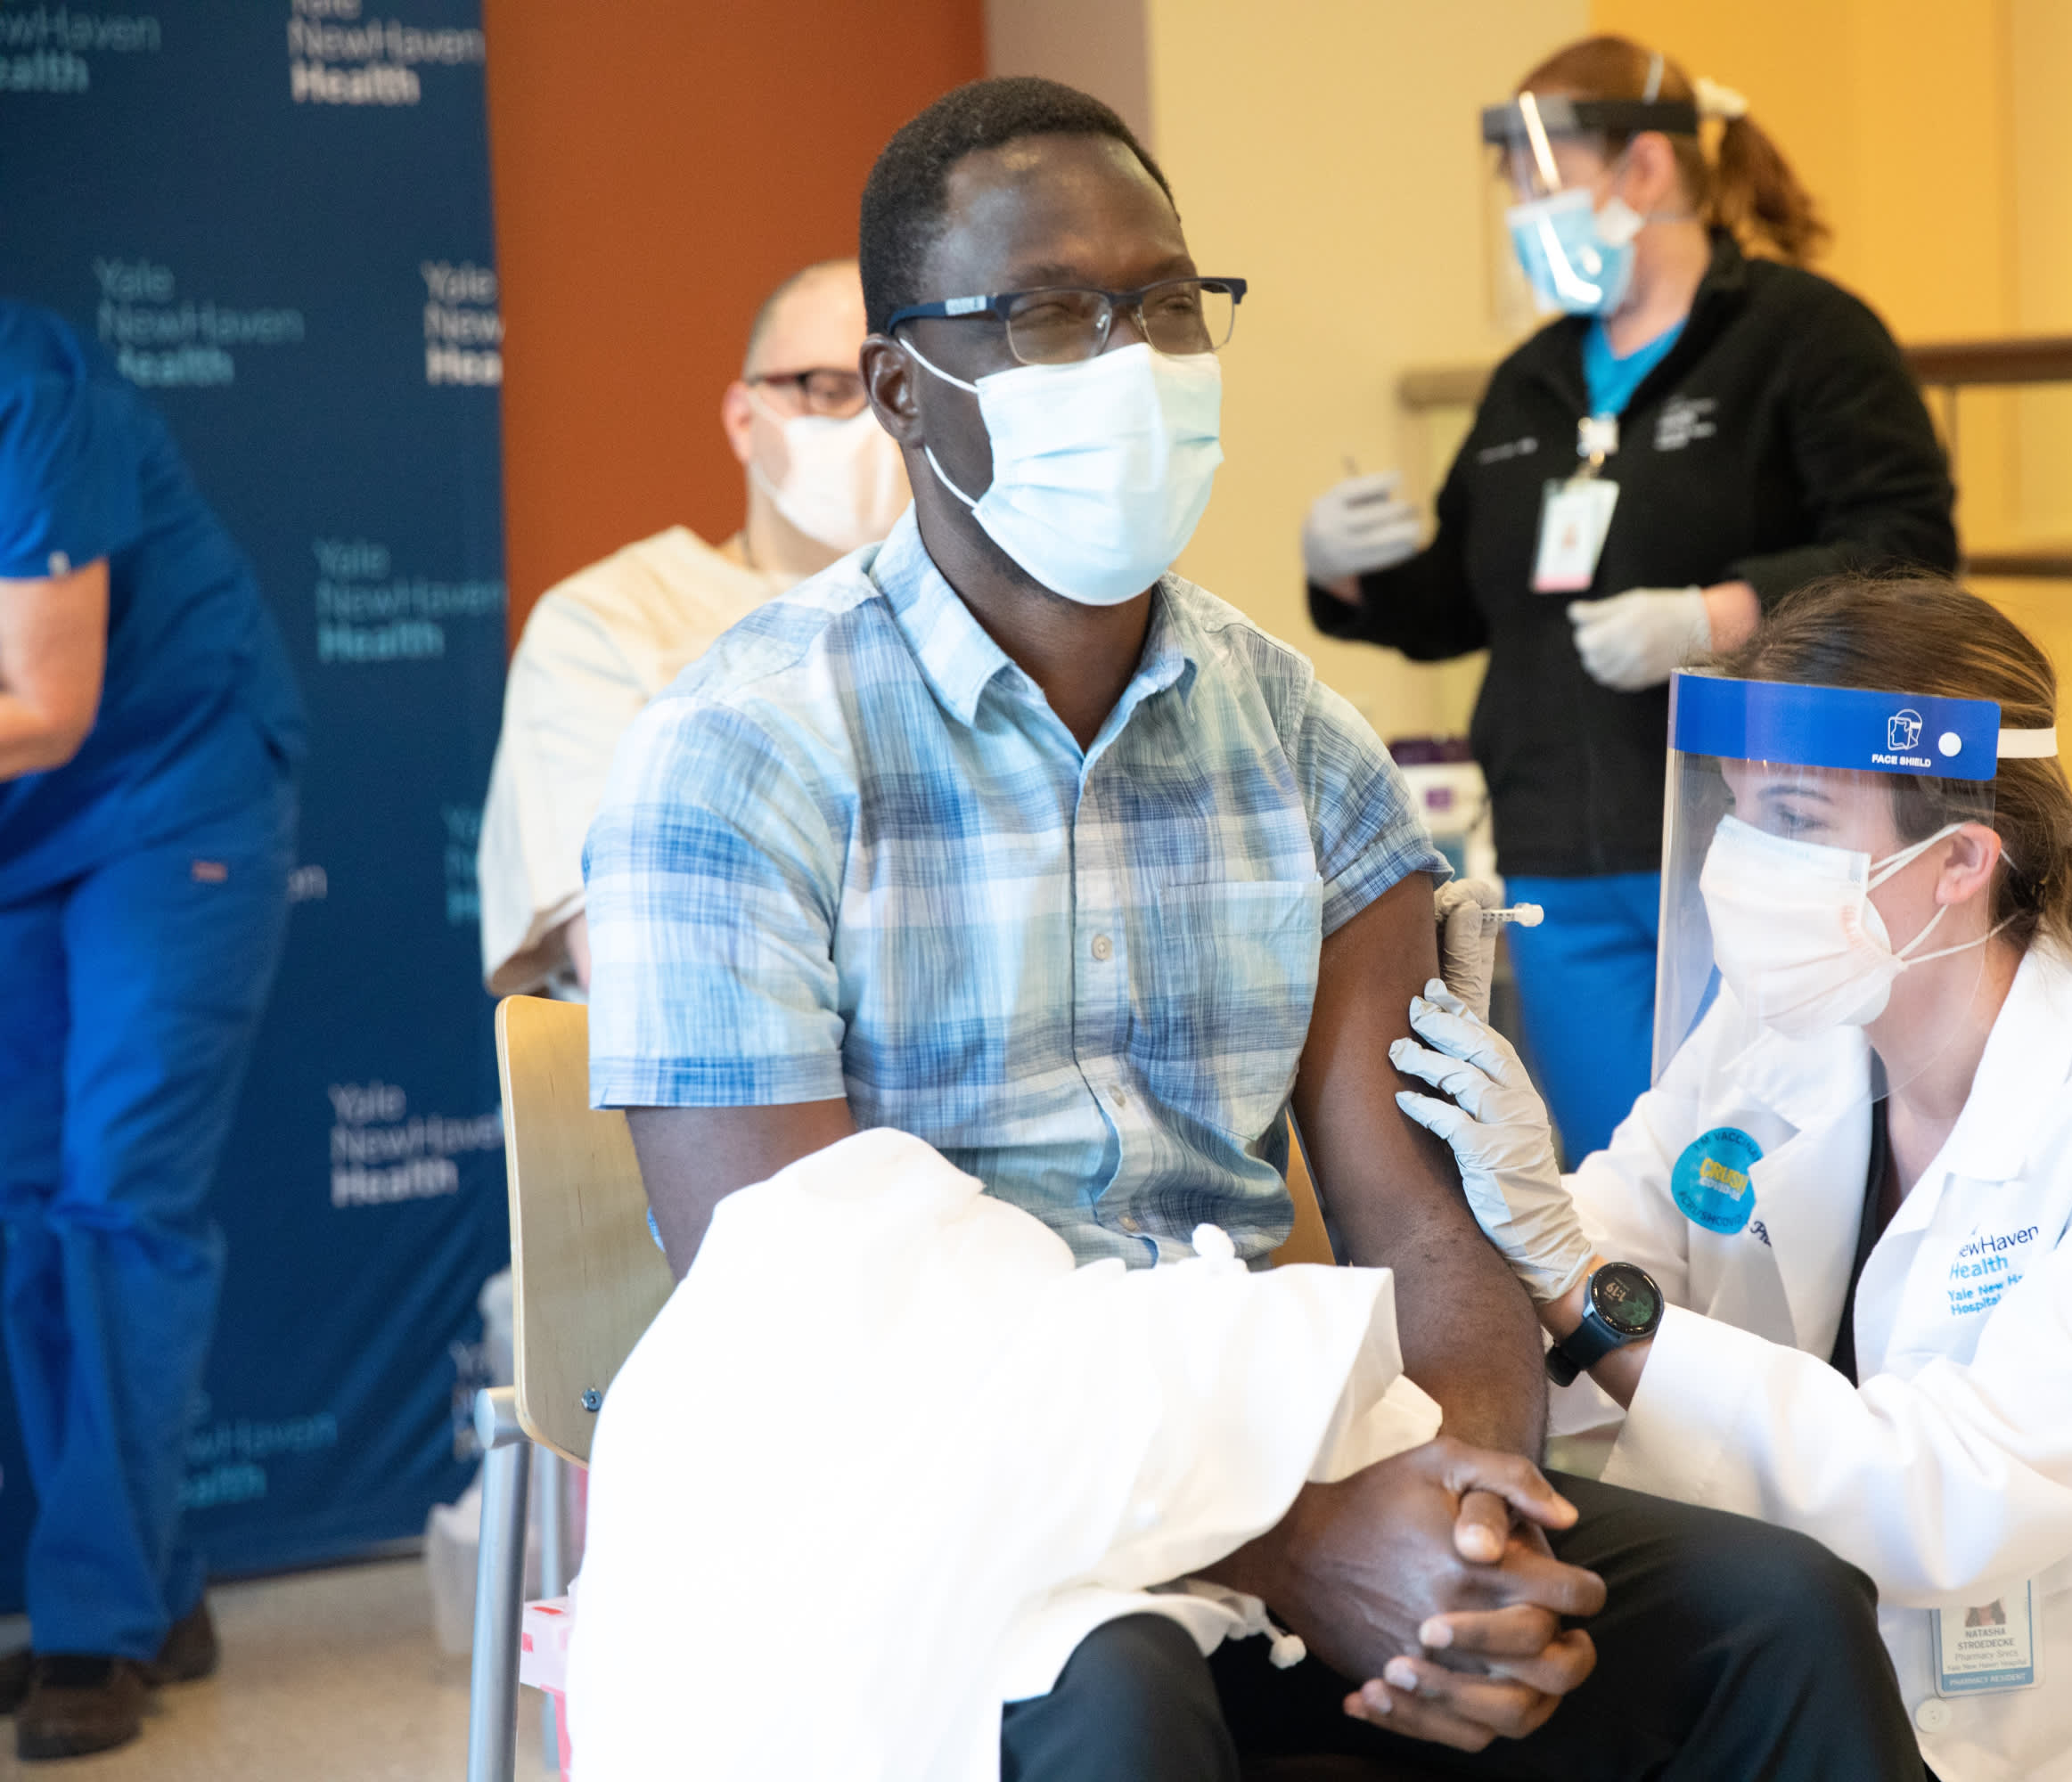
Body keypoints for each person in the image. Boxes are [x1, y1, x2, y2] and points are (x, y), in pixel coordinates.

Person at [583, 76, 1921, 1780]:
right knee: (1128, 1699)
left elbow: (1421, 1218)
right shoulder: (737, 758)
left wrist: (1465, 1516)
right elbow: (808, 1330)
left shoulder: (1302, 747)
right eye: (1055, 315)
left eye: (1163, 303)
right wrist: (1296, 1552)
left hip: (1303, 1444)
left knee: (1777, 1619)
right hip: (929, 1499)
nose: (1131, 359)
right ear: (910, 398)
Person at [1391, 573, 2072, 1780]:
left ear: (1963, 857)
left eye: (1796, 821)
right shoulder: (1774, 1040)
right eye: (1740, 814)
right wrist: (1451, 1173)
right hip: (1885, 1678)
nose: (1743, 864)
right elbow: (1598, 1256)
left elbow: (1959, 1497)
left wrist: (1576, 1280)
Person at [1307, 35, 1955, 1169]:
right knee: (1621, 1169)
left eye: (1534, 174)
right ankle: (1649, 1352)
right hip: (1559, 839)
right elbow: (1467, 598)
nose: (1517, 207)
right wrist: (1348, 571)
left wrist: (1720, 615)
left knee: (1763, 1170)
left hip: (1751, 828)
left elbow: (1911, 546)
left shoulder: (1800, 337)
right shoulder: (1535, 377)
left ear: (1644, 170)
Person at [0, 300, 305, 1760]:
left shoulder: (28, 390)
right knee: (17, 1217)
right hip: (17, 839)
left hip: (167, 792)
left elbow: (41, 706)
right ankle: (157, 1593)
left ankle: (91, 1623)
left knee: (118, 1198)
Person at [477, 257, 906, 998]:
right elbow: (648, 975)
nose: (868, 425)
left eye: (897, 390)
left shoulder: (995, 627)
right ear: (745, 419)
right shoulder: (607, 628)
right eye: (832, 390)